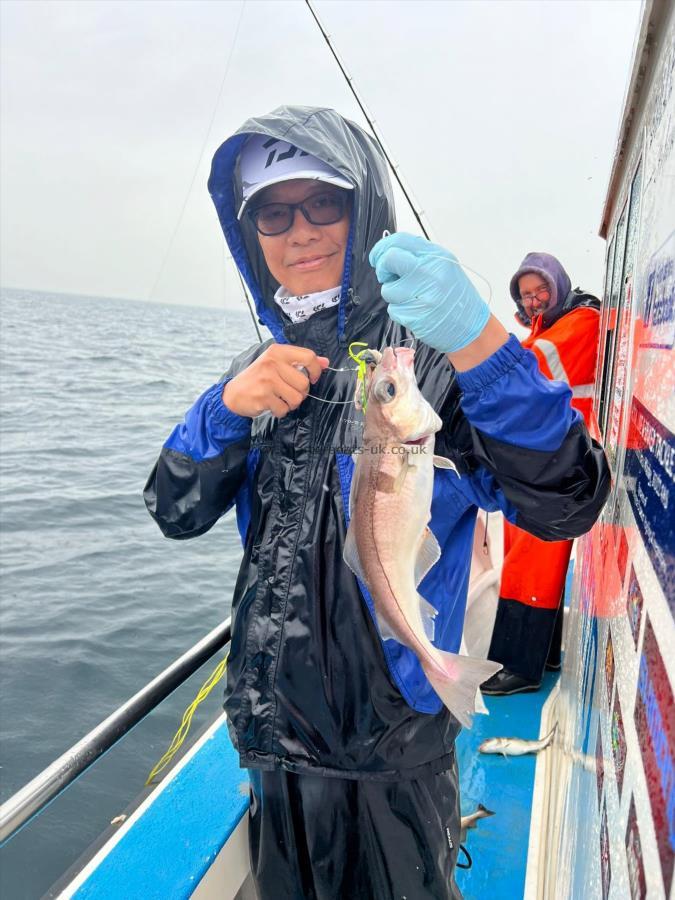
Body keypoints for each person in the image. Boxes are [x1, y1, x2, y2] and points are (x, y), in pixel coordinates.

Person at [144, 107, 610, 899]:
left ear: (364, 207)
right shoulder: (256, 370)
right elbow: (174, 509)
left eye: (323, 202)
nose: (301, 231)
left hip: (387, 747)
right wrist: (224, 408)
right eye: (272, 211)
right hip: (271, 739)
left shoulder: (431, 365)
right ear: (247, 231)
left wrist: (480, 344)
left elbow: (566, 499)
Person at [482, 253, 602, 696]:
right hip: (543, 460)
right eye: (526, 296)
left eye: (541, 291)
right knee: (529, 552)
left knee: (532, 559)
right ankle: (545, 654)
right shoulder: (551, 325)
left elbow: (530, 367)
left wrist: (473, 348)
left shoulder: (582, 322)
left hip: (558, 465)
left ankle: (519, 667)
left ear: (559, 284)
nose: (534, 302)